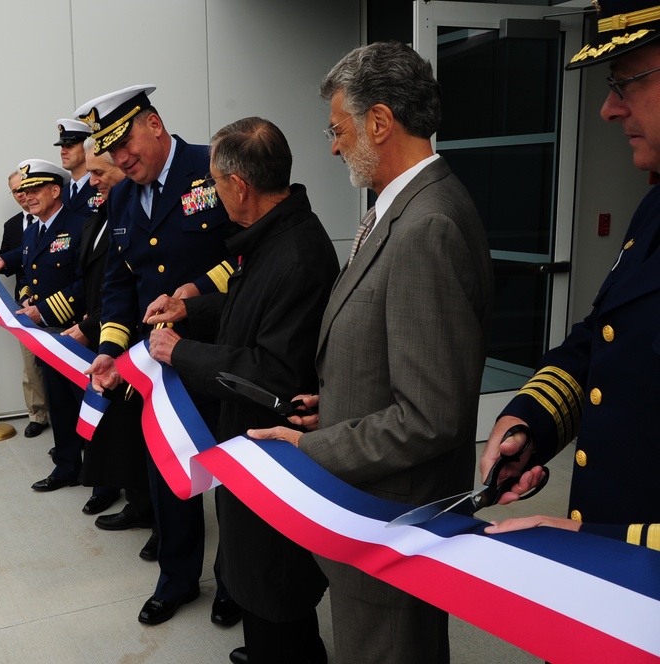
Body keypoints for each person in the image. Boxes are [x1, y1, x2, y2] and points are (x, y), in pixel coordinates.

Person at [248, 42, 494, 663]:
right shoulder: (401, 209)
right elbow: (396, 356)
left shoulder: (426, 225)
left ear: (379, 122)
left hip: (392, 525)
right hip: (374, 518)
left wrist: (314, 446)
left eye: (337, 129)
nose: (331, 146)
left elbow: (430, 417)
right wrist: (331, 403)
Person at [146, 117, 336, 664]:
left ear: (240, 186)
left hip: (275, 458)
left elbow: (270, 373)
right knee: (254, 580)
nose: (210, 193)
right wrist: (190, 309)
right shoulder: (273, 236)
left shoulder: (296, 254)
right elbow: (246, 311)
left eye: (214, 182)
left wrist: (179, 351)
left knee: (274, 588)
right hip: (249, 454)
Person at [481, 0, 660, 550]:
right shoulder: (653, 208)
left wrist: (606, 539)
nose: (608, 109)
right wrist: (529, 425)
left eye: (626, 83)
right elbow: (604, 339)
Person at [79, 84, 237, 627]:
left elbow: (248, 254)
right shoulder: (121, 198)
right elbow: (122, 285)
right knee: (170, 471)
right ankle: (178, 579)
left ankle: (235, 583)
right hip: (160, 365)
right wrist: (109, 349)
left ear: (155, 123)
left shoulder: (212, 167)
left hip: (220, 351)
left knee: (232, 475)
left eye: (126, 144)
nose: (121, 158)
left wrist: (193, 296)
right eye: (110, 151)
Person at [59, 139, 154, 548]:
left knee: (142, 433)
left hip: (139, 334)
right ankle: (138, 500)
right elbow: (104, 281)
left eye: (100, 174)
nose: (92, 181)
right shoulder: (101, 215)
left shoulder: (133, 209)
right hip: (112, 335)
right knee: (125, 432)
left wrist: (97, 325)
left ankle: (152, 510)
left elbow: (134, 284)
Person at [0, 159, 87, 492]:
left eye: (35, 190)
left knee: (88, 407)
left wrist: (45, 309)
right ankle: (68, 467)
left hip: (77, 333)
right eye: (24, 192)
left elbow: (89, 282)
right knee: (60, 405)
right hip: (48, 335)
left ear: (56, 190)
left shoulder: (80, 224)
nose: (27, 197)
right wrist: (4, 261)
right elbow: (29, 260)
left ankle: (103, 478)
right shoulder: (32, 229)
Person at [0, 170, 50, 438]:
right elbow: (6, 262)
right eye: (17, 191)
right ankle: (37, 415)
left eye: (26, 189)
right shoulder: (11, 226)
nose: (23, 195)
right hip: (25, 302)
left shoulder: (58, 219)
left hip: (58, 303)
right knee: (31, 364)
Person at [55, 118, 98, 220]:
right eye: (62, 146)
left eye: (69, 146)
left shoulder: (100, 185)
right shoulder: (61, 192)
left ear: (86, 148)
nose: (63, 152)